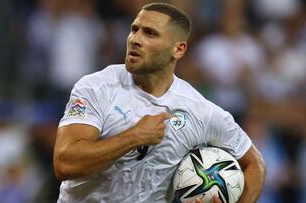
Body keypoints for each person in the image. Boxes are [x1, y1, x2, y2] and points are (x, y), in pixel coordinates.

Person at [53, 3, 266, 203]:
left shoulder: (200, 111)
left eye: (150, 33)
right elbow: (65, 163)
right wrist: (134, 136)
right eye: (134, 29)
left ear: (178, 49)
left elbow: (255, 164)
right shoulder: (97, 88)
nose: (135, 39)